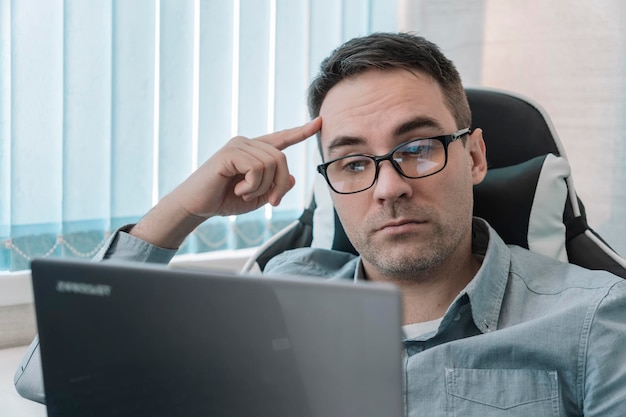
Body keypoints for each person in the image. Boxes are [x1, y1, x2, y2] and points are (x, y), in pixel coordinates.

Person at [15, 32, 626, 415]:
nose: (389, 187)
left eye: (417, 149)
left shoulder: (594, 317)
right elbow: (54, 383)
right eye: (354, 162)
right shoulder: (283, 290)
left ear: (474, 157)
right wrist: (184, 210)